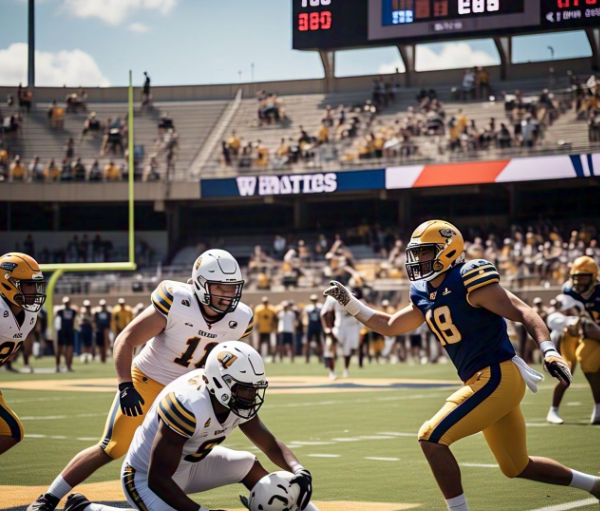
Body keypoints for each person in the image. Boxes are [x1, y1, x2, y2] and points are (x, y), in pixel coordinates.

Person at [324, 220, 600, 511]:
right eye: (415, 254)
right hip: (484, 381)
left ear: (447, 250)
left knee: (431, 437)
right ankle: (595, 484)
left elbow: (523, 311)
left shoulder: (468, 277)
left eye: (425, 252)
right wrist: (350, 302)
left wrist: (548, 350)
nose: (417, 260)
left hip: (497, 375)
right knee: (516, 465)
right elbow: (390, 325)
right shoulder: (422, 290)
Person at [28, 249, 254, 511]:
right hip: (148, 380)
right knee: (113, 446)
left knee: (178, 454)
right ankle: (49, 498)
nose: (227, 296)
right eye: (219, 288)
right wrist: (125, 385)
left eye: (231, 288)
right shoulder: (177, 301)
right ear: (201, 283)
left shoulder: (241, 319)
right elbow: (126, 339)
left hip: (187, 393)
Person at [62, 342, 317, 511]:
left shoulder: (232, 398)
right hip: (143, 477)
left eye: (254, 389)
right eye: (245, 389)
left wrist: (300, 470)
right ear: (221, 383)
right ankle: (89, 509)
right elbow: (158, 478)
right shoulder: (187, 404)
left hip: (191, 463)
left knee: (251, 466)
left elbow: (270, 445)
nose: (251, 396)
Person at [0, 252, 46, 456]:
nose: (33, 291)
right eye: (27, 285)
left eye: (35, 285)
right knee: (11, 430)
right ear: (6, 282)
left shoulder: (29, 315)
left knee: (11, 432)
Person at [560, 256, 600, 424]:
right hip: (590, 333)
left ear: (593, 277)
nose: (579, 282)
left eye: (584, 277)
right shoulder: (569, 291)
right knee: (585, 360)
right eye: (577, 277)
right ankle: (598, 406)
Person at [321, 288, 362, 378]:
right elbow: (324, 313)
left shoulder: (353, 297)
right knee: (331, 347)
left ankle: (346, 370)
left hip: (350, 327)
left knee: (347, 350)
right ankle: (332, 372)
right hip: (338, 327)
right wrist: (327, 328)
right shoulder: (332, 298)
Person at [303, 295, 323, 364]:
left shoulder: (320, 307)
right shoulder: (308, 307)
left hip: (318, 326)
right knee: (307, 343)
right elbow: (305, 317)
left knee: (319, 343)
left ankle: (320, 358)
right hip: (310, 326)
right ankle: (307, 358)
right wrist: (305, 326)